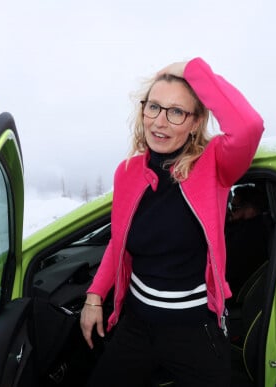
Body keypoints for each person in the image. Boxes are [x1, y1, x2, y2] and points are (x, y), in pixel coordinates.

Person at [79, 57, 264, 387]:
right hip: (136, 325)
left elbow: (248, 126)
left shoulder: (215, 164)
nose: (160, 122)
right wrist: (94, 297)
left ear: (195, 123)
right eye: (154, 107)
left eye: (176, 112)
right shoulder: (127, 172)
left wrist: (191, 69)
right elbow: (117, 242)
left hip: (194, 331)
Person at [225, 184, 270, 298]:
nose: (231, 211)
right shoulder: (261, 226)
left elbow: (230, 268)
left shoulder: (248, 234)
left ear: (251, 211)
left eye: (235, 208)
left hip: (238, 294)